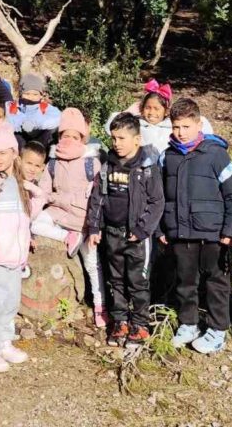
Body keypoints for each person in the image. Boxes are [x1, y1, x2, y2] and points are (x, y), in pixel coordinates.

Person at [160, 98, 232, 355]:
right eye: (176, 126)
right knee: (185, 281)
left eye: (186, 126)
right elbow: (160, 196)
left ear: (198, 124)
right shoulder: (167, 157)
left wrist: (230, 230)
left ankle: (217, 329)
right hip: (180, 232)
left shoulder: (216, 154)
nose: (180, 132)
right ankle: (189, 324)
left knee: (216, 282)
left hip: (213, 234)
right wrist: (162, 228)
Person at [87, 112, 164, 348]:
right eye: (113, 138)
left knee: (137, 281)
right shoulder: (107, 166)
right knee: (116, 280)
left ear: (137, 140)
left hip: (137, 237)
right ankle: (120, 321)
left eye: (122, 138)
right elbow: (98, 198)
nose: (116, 143)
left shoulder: (147, 167)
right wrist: (94, 226)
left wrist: (142, 230)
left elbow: (157, 202)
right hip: (112, 233)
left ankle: (140, 325)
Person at [31, 108, 108, 328]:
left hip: (83, 220)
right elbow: (43, 192)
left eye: (75, 136)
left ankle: (100, 305)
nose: (69, 140)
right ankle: (67, 237)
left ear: (82, 137)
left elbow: (98, 197)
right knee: (35, 224)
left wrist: (95, 226)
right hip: (59, 216)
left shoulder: (91, 163)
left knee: (92, 264)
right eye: (65, 135)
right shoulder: (53, 162)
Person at [0, 128, 43, 372]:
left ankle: (4, 343)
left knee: (10, 304)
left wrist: (38, 194)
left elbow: (28, 216)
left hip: (16, 259)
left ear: (14, 153)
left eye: (3, 153)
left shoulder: (19, 182)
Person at [105, 80, 214, 154]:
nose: (151, 112)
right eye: (147, 108)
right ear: (141, 108)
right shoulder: (137, 124)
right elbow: (110, 128)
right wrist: (128, 111)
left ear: (166, 111)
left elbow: (202, 126)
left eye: (156, 109)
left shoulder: (172, 125)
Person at [6, 73, 62, 148]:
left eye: (35, 94)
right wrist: (22, 123)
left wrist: (34, 123)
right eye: (27, 94)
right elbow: (7, 118)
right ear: (21, 94)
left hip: (39, 141)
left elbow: (58, 118)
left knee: (50, 131)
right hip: (20, 140)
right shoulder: (12, 106)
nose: (31, 97)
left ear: (41, 95)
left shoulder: (45, 107)